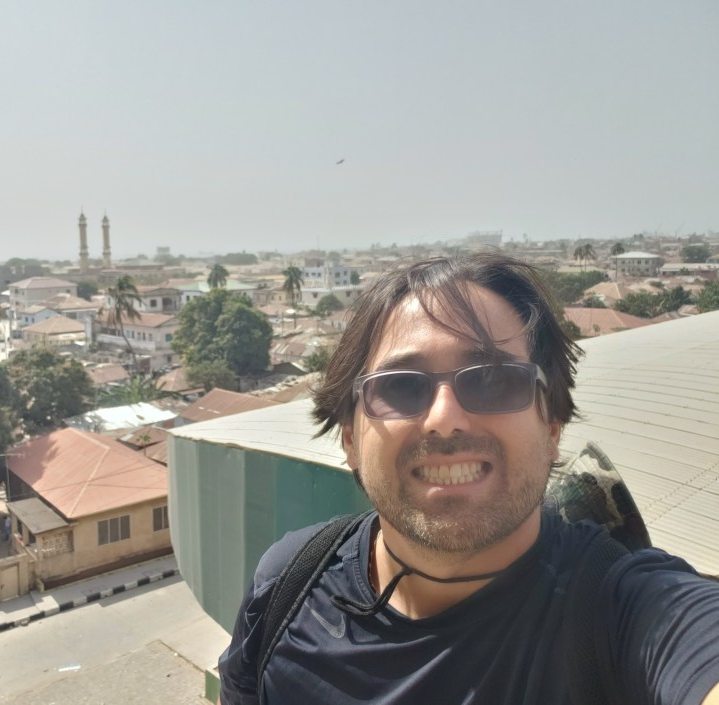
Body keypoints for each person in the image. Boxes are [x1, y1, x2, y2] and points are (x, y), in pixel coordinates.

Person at [217, 254, 719, 705]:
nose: (445, 418)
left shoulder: (628, 612)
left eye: (494, 379)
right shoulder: (288, 583)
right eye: (400, 387)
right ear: (350, 438)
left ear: (551, 428)